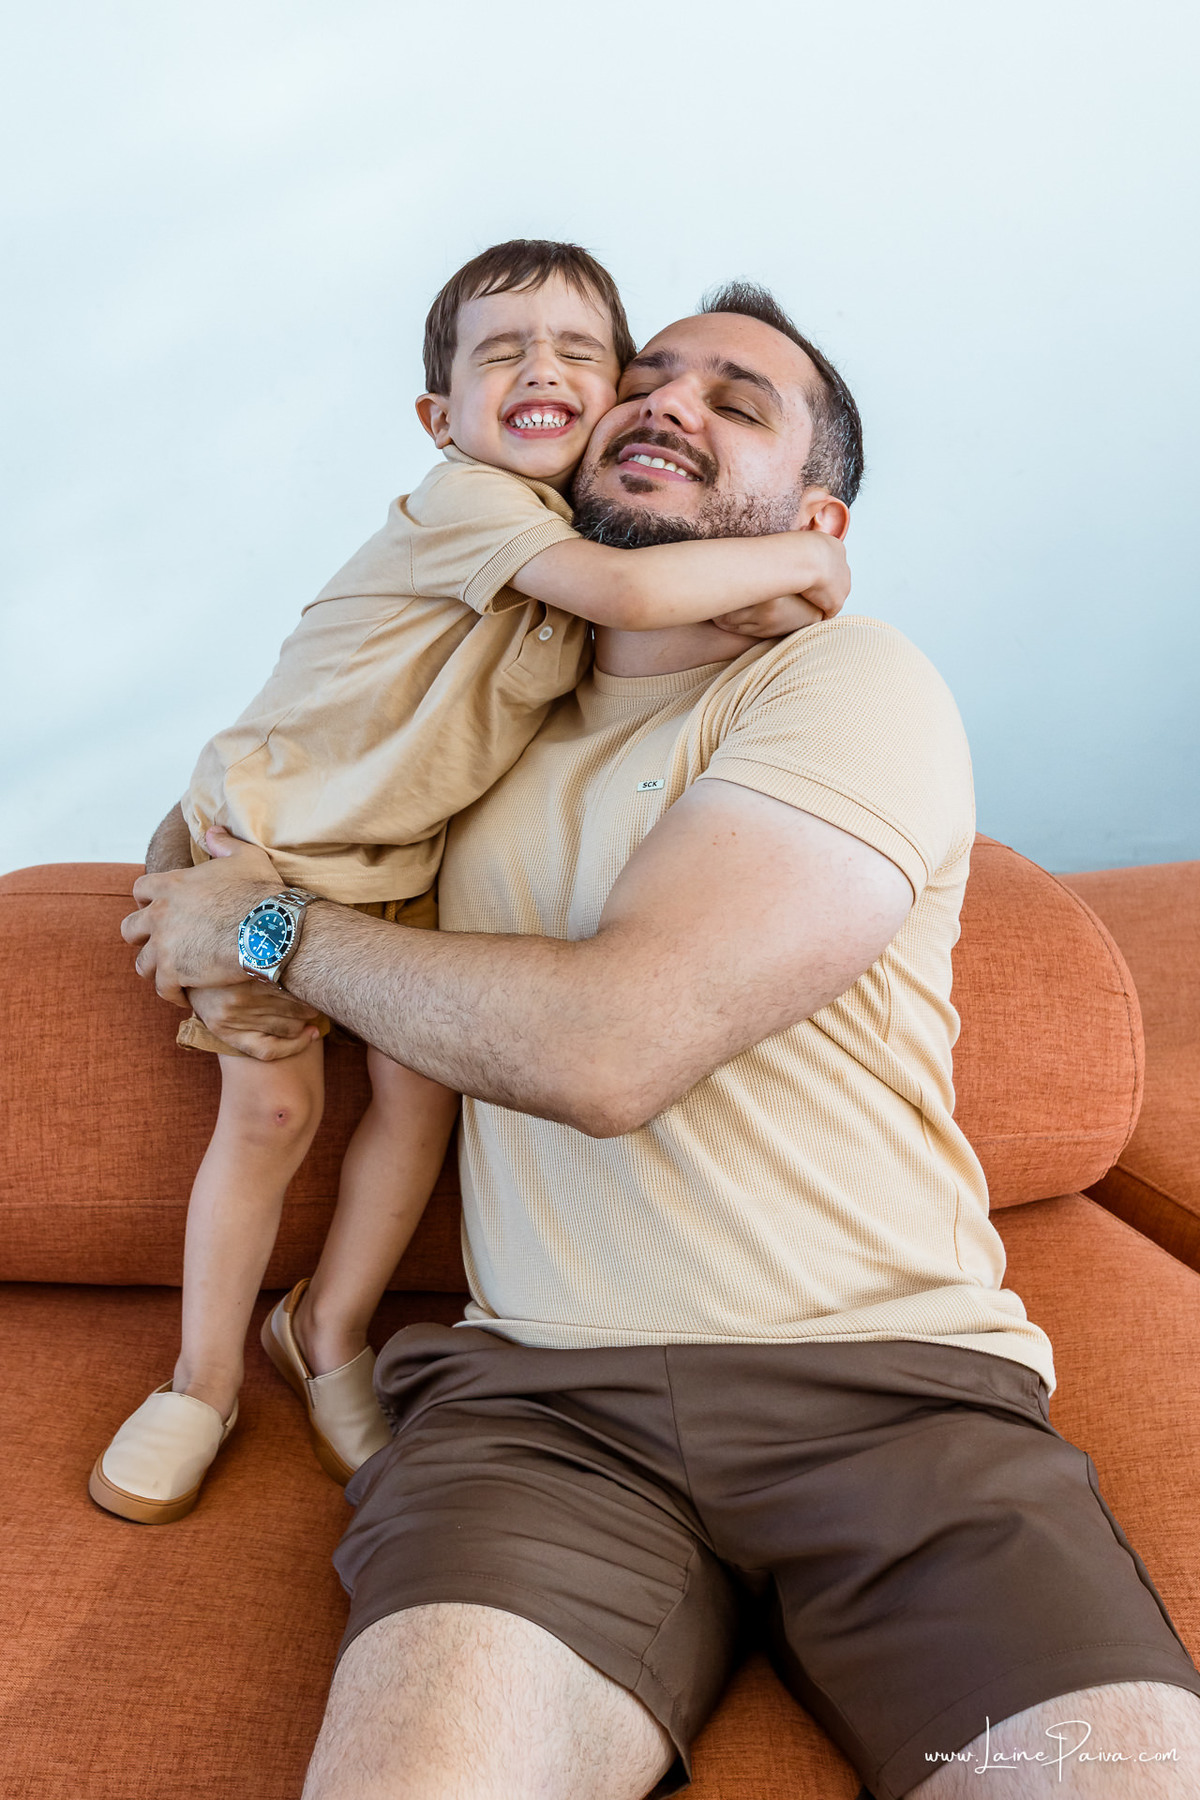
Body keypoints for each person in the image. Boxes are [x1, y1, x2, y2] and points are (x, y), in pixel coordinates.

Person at [123, 287, 1200, 1798]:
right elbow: (269, 793)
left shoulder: (845, 681)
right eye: (646, 378)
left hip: (897, 1397)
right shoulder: (482, 724)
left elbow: (610, 1054)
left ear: (814, 524)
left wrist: (266, 933)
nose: (666, 401)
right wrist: (197, 858)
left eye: (737, 404)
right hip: (544, 1417)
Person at [90, 241, 849, 1527]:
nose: (542, 370)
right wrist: (813, 567)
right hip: (263, 850)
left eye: (580, 354)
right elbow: (639, 589)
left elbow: (685, 611)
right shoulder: (472, 503)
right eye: (503, 354)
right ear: (441, 416)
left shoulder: (587, 560)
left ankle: (326, 1331)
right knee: (271, 1116)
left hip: (399, 872)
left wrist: (782, 584)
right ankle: (200, 1383)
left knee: (421, 1099)